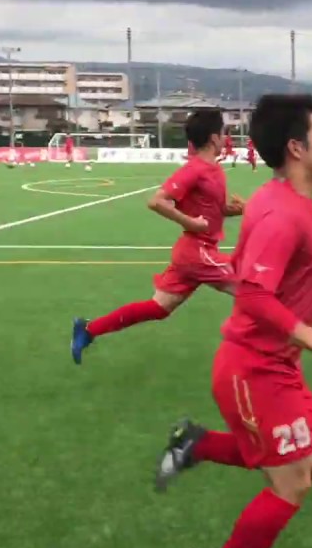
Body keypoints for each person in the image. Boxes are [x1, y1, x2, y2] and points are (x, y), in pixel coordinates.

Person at [153, 93, 312, 548]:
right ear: (296, 147)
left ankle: (197, 445)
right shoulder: (280, 213)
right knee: (290, 480)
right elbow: (251, 293)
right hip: (253, 366)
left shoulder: (283, 202)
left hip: (274, 363)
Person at [72, 110, 244, 364]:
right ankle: (267, 357)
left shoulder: (214, 170)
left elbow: (209, 211)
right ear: (214, 138)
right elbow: (157, 201)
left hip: (192, 252)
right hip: (198, 252)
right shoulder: (195, 169)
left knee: (159, 308)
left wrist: (233, 210)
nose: (227, 138)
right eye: (225, 132)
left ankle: (89, 330)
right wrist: (191, 224)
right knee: (253, 289)